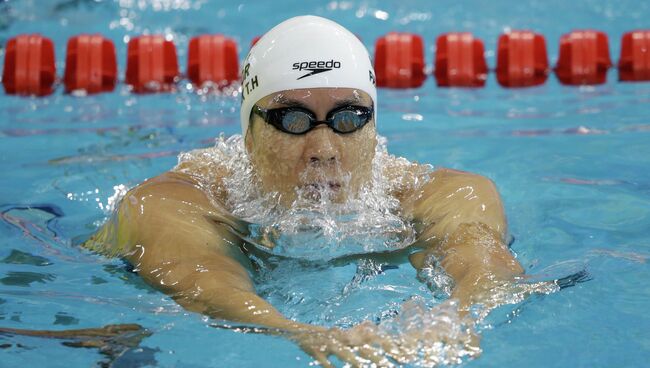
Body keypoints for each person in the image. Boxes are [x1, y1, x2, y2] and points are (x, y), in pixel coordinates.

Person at [83, 15, 525, 367]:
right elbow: (206, 284)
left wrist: (455, 318)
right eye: (292, 120)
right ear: (249, 135)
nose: (324, 150)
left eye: (348, 119)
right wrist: (300, 332)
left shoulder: (443, 195)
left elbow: (484, 264)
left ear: (374, 129)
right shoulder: (173, 203)